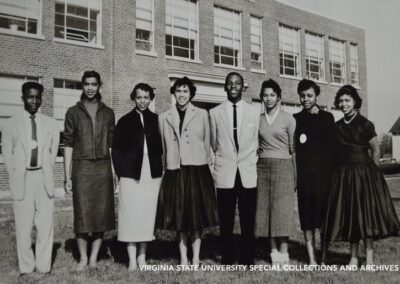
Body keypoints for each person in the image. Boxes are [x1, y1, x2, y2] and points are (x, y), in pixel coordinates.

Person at [322, 85, 400, 265]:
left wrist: (371, 175)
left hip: (364, 174)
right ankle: (353, 258)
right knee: (350, 216)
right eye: (340, 101)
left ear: (355, 102)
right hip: (344, 176)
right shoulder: (337, 126)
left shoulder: (365, 124)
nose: (343, 104)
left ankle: (370, 259)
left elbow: (376, 151)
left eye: (347, 100)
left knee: (366, 217)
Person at [156, 76, 218, 266]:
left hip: (197, 170)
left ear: (191, 94)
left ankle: (196, 257)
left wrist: (208, 163)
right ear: (173, 93)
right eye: (178, 91)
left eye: (185, 91)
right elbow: (163, 148)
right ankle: (183, 257)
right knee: (180, 217)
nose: (182, 94)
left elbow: (209, 143)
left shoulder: (202, 114)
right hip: (175, 170)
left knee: (197, 218)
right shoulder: (163, 117)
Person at [2, 82, 59, 274]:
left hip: (43, 177)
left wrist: (45, 170)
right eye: (29, 97)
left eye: (37, 97)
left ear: (41, 98)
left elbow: (52, 154)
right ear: (22, 98)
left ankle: (43, 266)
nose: (34, 101)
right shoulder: (10, 124)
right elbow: (7, 157)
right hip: (23, 179)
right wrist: (17, 174)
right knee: (23, 226)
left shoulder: (51, 124)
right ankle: (26, 267)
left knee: (45, 225)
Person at [64, 71, 116, 271]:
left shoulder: (108, 112)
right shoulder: (73, 112)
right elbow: (67, 143)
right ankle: (83, 258)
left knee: (101, 215)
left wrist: (113, 172)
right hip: (82, 167)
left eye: (94, 84)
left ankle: (94, 258)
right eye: (86, 84)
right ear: (82, 86)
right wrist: (68, 175)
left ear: (99, 85)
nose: (90, 88)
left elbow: (111, 144)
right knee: (83, 215)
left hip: (102, 167)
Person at [209, 72, 260, 265]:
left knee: (248, 219)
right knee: (226, 218)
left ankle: (248, 258)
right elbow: (214, 143)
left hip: (247, 171)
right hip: (225, 171)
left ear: (242, 87)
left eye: (237, 83)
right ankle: (228, 257)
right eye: (229, 83)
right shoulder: (214, 113)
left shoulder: (254, 112)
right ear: (225, 87)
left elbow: (256, 140)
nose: (233, 86)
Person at [112, 83, 163, 271]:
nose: (142, 101)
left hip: (152, 173)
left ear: (151, 99)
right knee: (131, 215)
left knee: (147, 215)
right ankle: (132, 259)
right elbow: (116, 151)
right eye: (139, 97)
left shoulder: (156, 120)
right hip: (130, 173)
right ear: (134, 97)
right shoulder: (125, 121)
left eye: (146, 97)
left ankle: (142, 257)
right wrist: (121, 173)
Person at [293, 79, 337, 264]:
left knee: (323, 219)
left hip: (324, 178)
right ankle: (312, 259)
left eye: (309, 95)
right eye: (302, 96)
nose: (306, 99)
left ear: (316, 96)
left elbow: (334, 149)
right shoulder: (295, 119)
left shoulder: (327, 118)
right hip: (305, 179)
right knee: (307, 219)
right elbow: (294, 149)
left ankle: (324, 257)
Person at [255, 79, 296, 265]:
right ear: (261, 97)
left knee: (283, 209)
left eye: (272, 95)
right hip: (263, 167)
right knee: (266, 209)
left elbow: (293, 149)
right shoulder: (259, 119)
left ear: (279, 97)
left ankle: (284, 251)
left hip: (284, 166)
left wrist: (295, 175)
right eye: (265, 95)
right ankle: (272, 251)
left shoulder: (289, 118)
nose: (269, 98)